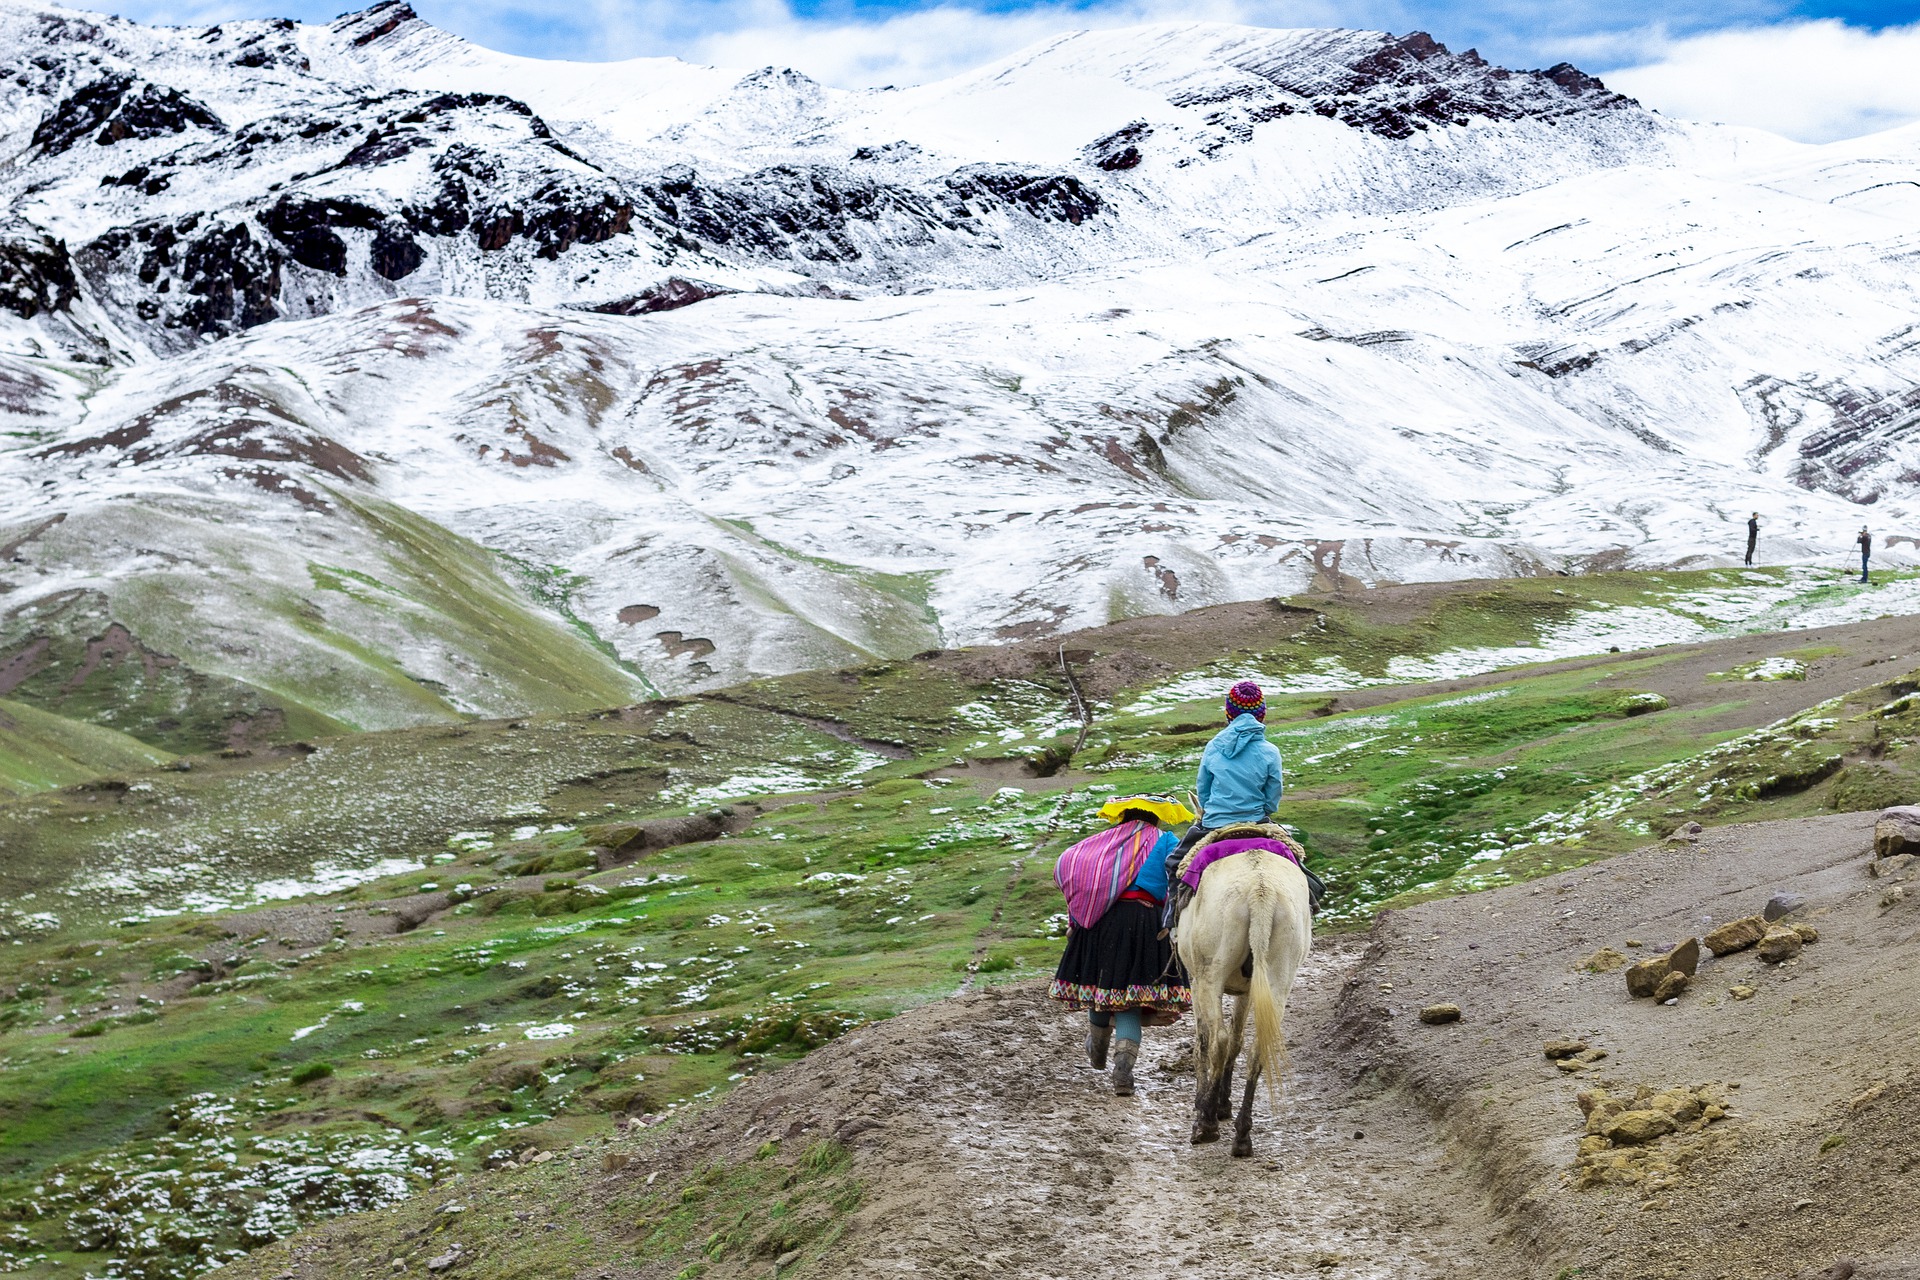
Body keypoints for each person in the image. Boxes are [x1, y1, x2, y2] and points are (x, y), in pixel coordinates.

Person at [1048, 795, 1194, 1097]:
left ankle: (1098, 1049)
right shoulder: (1164, 840)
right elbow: (1177, 881)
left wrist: (1076, 920)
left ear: (1123, 815)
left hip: (1099, 921)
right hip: (1144, 922)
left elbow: (1071, 865)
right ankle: (1123, 1073)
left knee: (1103, 990)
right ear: (1156, 817)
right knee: (1129, 999)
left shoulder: (1101, 842)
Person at [1163, 681, 1285, 884]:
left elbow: (1203, 790)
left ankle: (1170, 915)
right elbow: (1273, 794)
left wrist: (1213, 810)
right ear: (1261, 715)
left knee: (1175, 865)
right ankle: (1311, 906)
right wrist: (1265, 810)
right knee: (1298, 862)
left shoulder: (1213, 747)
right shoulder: (1271, 751)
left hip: (1215, 823)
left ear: (1229, 713)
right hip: (1256, 820)